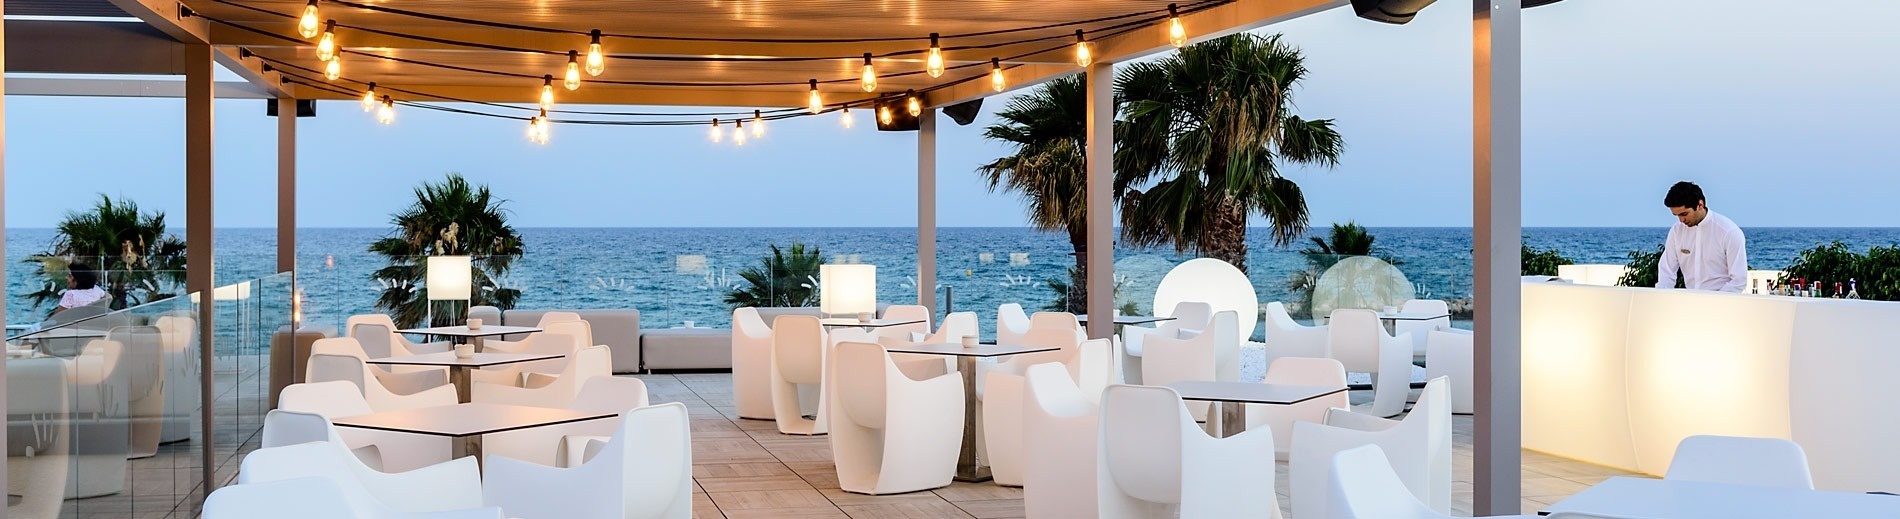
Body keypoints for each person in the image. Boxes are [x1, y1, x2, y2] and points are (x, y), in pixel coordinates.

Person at [1657, 182, 1746, 292]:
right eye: (1677, 215)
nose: (1681, 220)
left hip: (1722, 303)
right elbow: (1667, 271)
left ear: (1700, 205)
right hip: (1690, 302)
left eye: (1684, 214)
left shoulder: (1729, 232)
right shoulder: (1677, 231)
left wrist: (1715, 302)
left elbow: (1739, 280)